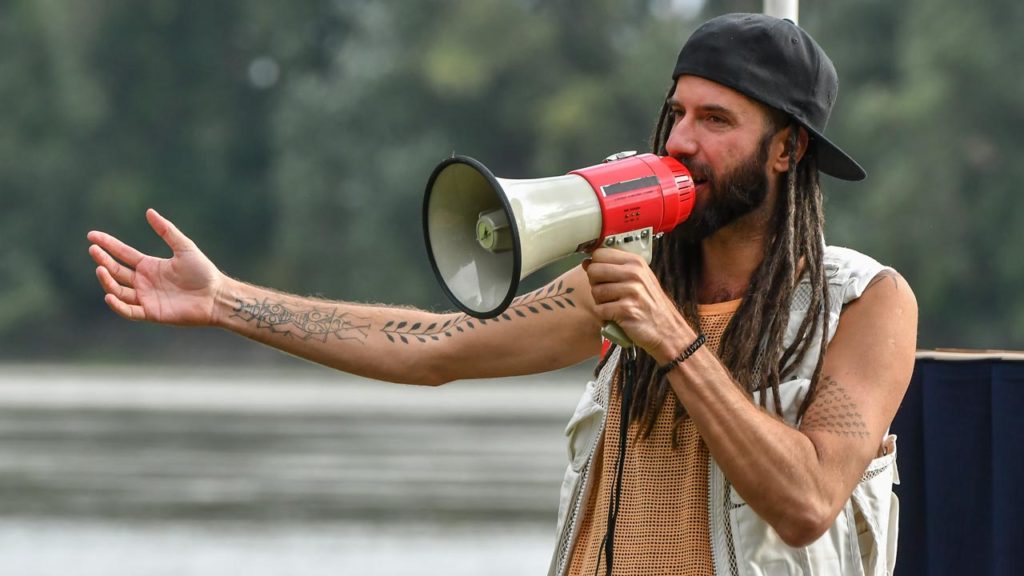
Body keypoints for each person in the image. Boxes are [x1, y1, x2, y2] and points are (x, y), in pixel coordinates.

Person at [87, 12, 917, 576]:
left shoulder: (864, 302)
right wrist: (227, 300)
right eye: (676, 114)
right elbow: (435, 349)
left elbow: (807, 501)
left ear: (788, 150)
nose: (681, 141)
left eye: (716, 120)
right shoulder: (628, 283)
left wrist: (674, 341)